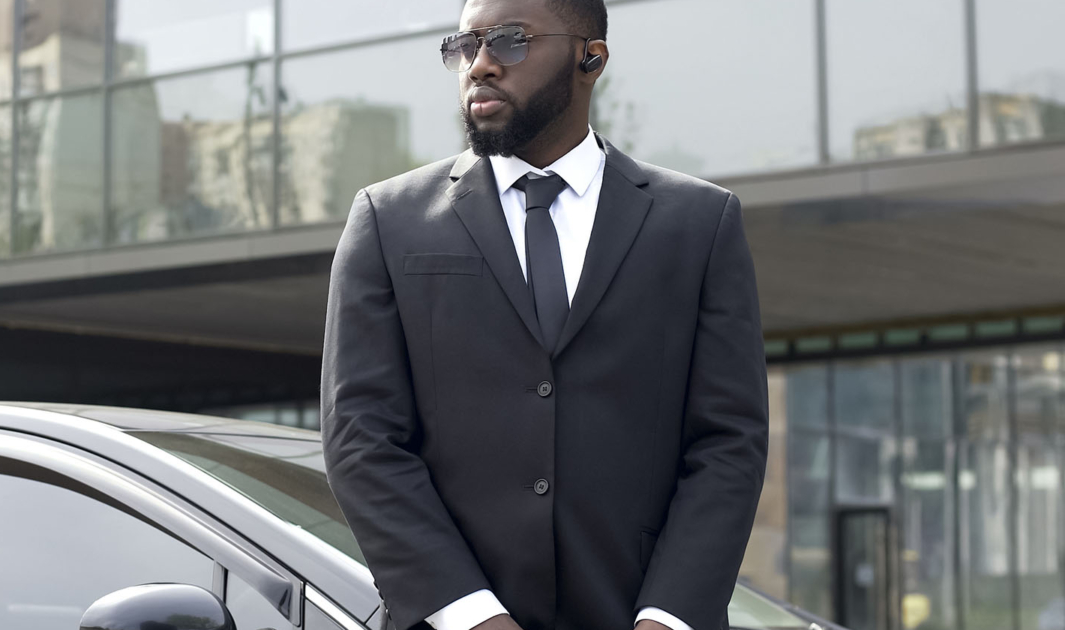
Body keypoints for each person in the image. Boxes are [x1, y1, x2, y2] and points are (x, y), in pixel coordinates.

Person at [318, 1, 769, 630]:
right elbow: (359, 438)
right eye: (464, 46)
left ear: (591, 57)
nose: (479, 66)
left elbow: (729, 442)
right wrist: (471, 616)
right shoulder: (387, 221)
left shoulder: (700, 225)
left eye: (509, 42)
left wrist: (668, 617)